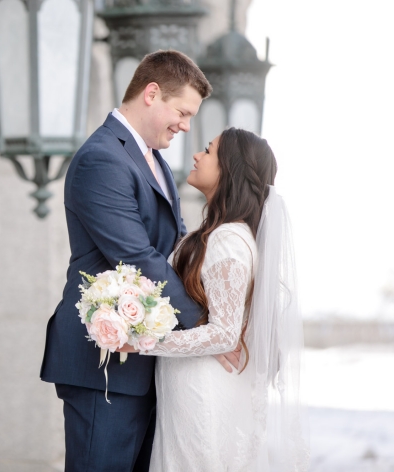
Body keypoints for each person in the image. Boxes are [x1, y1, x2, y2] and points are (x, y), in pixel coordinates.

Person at [40, 50, 222, 472]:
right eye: (182, 112)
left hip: (142, 359)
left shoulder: (154, 159)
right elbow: (137, 256)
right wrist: (206, 326)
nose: (186, 126)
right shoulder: (102, 158)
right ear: (151, 93)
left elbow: (171, 246)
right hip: (102, 364)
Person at [120, 129, 308, 471]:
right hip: (189, 386)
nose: (196, 155)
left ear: (229, 170)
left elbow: (224, 333)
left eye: (208, 151)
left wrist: (141, 342)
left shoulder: (228, 240)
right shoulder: (216, 235)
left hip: (203, 390)